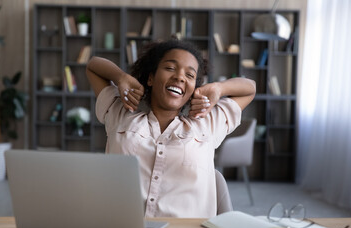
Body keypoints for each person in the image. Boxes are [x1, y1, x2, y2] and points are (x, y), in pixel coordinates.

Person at [86, 39, 256, 218]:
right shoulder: (121, 114)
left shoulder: (207, 124)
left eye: (190, 75)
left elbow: (250, 88)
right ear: (151, 78)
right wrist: (121, 77)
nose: (180, 77)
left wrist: (218, 88)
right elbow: (93, 65)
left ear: (193, 89)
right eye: (170, 68)